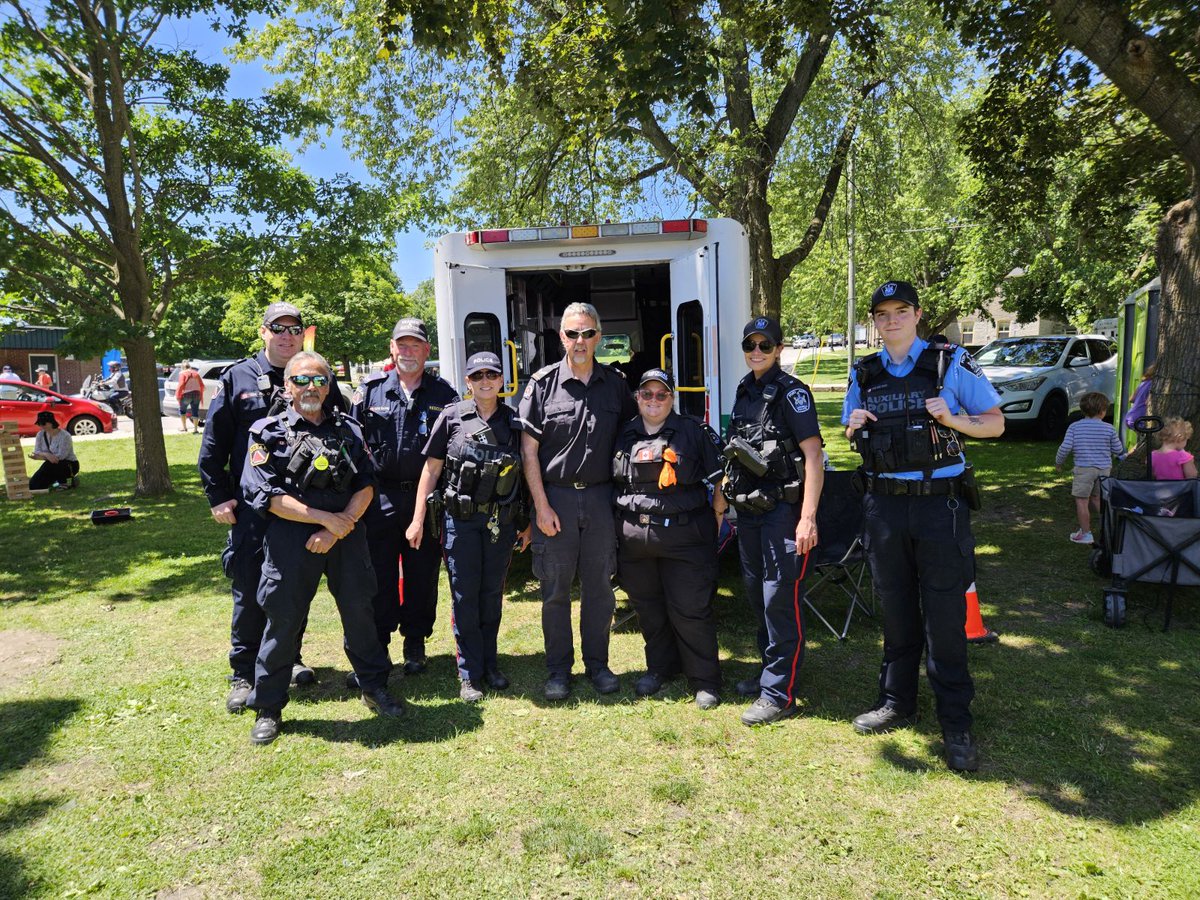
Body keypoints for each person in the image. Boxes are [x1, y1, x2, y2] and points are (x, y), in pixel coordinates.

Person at [843, 280, 1004, 773]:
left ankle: (955, 722)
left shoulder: (949, 363)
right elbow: (850, 429)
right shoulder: (864, 372)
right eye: (882, 313)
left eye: (900, 311)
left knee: (944, 616)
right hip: (885, 508)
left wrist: (953, 419)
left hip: (939, 508)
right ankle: (897, 701)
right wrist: (855, 424)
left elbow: (995, 423)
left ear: (916, 314)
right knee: (895, 610)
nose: (891, 320)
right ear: (875, 320)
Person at [240, 351, 405, 744]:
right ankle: (269, 705)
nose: (309, 388)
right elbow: (265, 496)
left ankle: (373, 686)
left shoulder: (348, 429)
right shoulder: (266, 433)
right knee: (282, 620)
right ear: (287, 386)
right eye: (300, 380)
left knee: (360, 613)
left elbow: (366, 485)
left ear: (328, 386)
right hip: (290, 540)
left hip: (345, 537)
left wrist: (336, 528)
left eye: (318, 380)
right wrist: (323, 519)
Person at [199, 302, 329, 712]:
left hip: (299, 506)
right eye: (279, 328)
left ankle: (289, 658)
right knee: (250, 587)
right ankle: (243, 672)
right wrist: (218, 495)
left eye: (294, 329)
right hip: (252, 507)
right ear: (264, 332)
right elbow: (213, 446)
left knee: (293, 587)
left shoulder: (315, 374)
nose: (287, 336)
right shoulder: (238, 377)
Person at [518, 302, 638, 701]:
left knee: (600, 589)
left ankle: (598, 665)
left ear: (599, 337)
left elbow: (631, 437)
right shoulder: (542, 384)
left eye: (588, 333)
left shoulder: (616, 384)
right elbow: (529, 451)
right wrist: (541, 506)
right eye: (573, 334)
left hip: (603, 499)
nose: (580, 341)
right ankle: (558, 670)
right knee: (554, 590)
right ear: (561, 338)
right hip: (557, 500)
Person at [405, 351, 531, 702]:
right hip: (459, 521)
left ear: (502, 381)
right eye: (478, 376)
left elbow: (524, 474)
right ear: (468, 382)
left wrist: (528, 522)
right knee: (464, 595)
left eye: (492, 375)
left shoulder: (514, 421)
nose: (485, 381)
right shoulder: (451, 416)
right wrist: (417, 519)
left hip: (498, 522)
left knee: (491, 595)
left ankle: (490, 664)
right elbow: (430, 471)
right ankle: (469, 673)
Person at [723, 316, 824, 726]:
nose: (758, 352)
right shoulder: (744, 390)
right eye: (751, 345)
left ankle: (778, 693)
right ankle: (770, 674)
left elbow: (814, 455)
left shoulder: (793, 393)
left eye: (766, 345)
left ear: (779, 349)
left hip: (784, 511)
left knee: (778, 597)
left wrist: (808, 518)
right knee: (755, 593)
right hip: (749, 511)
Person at [613, 369, 727, 710]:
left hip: (684, 537)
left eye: (661, 394)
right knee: (649, 610)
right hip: (634, 540)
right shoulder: (623, 434)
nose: (653, 400)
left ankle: (705, 680)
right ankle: (660, 668)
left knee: (690, 610)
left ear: (672, 398)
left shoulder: (693, 432)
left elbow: (721, 478)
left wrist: (717, 518)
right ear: (637, 398)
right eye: (646, 394)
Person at [352, 317, 458, 677]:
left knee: (422, 573)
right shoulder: (370, 392)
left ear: (427, 351)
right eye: (402, 344)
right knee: (377, 574)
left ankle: (415, 640)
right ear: (392, 348)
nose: (408, 351)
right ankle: (379, 643)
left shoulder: (444, 394)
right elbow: (352, 446)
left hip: (425, 497)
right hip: (379, 498)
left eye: (416, 345)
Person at [1055, 391, 1126, 544]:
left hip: (1084, 469)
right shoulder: (1109, 428)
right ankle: (1109, 528)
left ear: (1083, 410)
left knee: (1082, 500)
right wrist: (1123, 456)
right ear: (1102, 411)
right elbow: (1118, 449)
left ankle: (1086, 533)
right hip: (1104, 469)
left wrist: (1059, 463)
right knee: (1098, 499)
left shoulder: (1075, 427)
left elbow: (1065, 447)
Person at [28, 411, 78, 490]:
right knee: (34, 486)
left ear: (51, 423)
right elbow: (36, 451)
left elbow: (61, 456)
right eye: (39, 424)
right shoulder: (40, 434)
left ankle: (63, 483)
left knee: (55, 464)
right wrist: (47, 455)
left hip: (68, 465)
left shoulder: (65, 436)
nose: (41, 426)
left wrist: (42, 457)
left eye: (43, 424)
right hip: (50, 464)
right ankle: (56, 481)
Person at [175, 360, 205, 433]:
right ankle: (195, 429)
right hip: (197, 394)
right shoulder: (196, 373)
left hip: (186, 394)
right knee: (195, 412)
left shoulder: (183, 373)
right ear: (190, 366)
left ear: (182, 367)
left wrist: (177, 395)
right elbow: (202, 385)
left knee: (182, 411)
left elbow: (181, 384)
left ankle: (184, 428)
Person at [1124, 362, 1156, 429]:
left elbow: (1131, 399)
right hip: (1140, 419)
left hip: (1130, 416)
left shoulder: (1143, 384)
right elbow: (1148, 402)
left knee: (1141, 438)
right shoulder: (1154, 385)